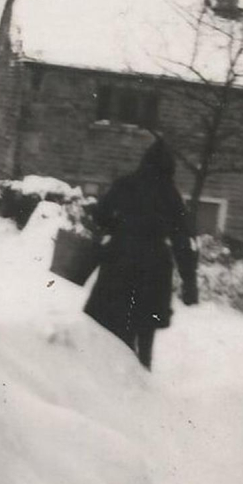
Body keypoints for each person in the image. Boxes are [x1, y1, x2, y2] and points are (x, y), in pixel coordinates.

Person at [84, 138, 198, 370]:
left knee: (110, 323)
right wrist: (189, 282)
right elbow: (182, 240)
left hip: (119, 260)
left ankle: (102, 375)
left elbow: (101, 217)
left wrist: (118, 224)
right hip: (153, 267)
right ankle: (141, 374)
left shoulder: (124, 184)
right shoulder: (170, 194)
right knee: (145, 327)